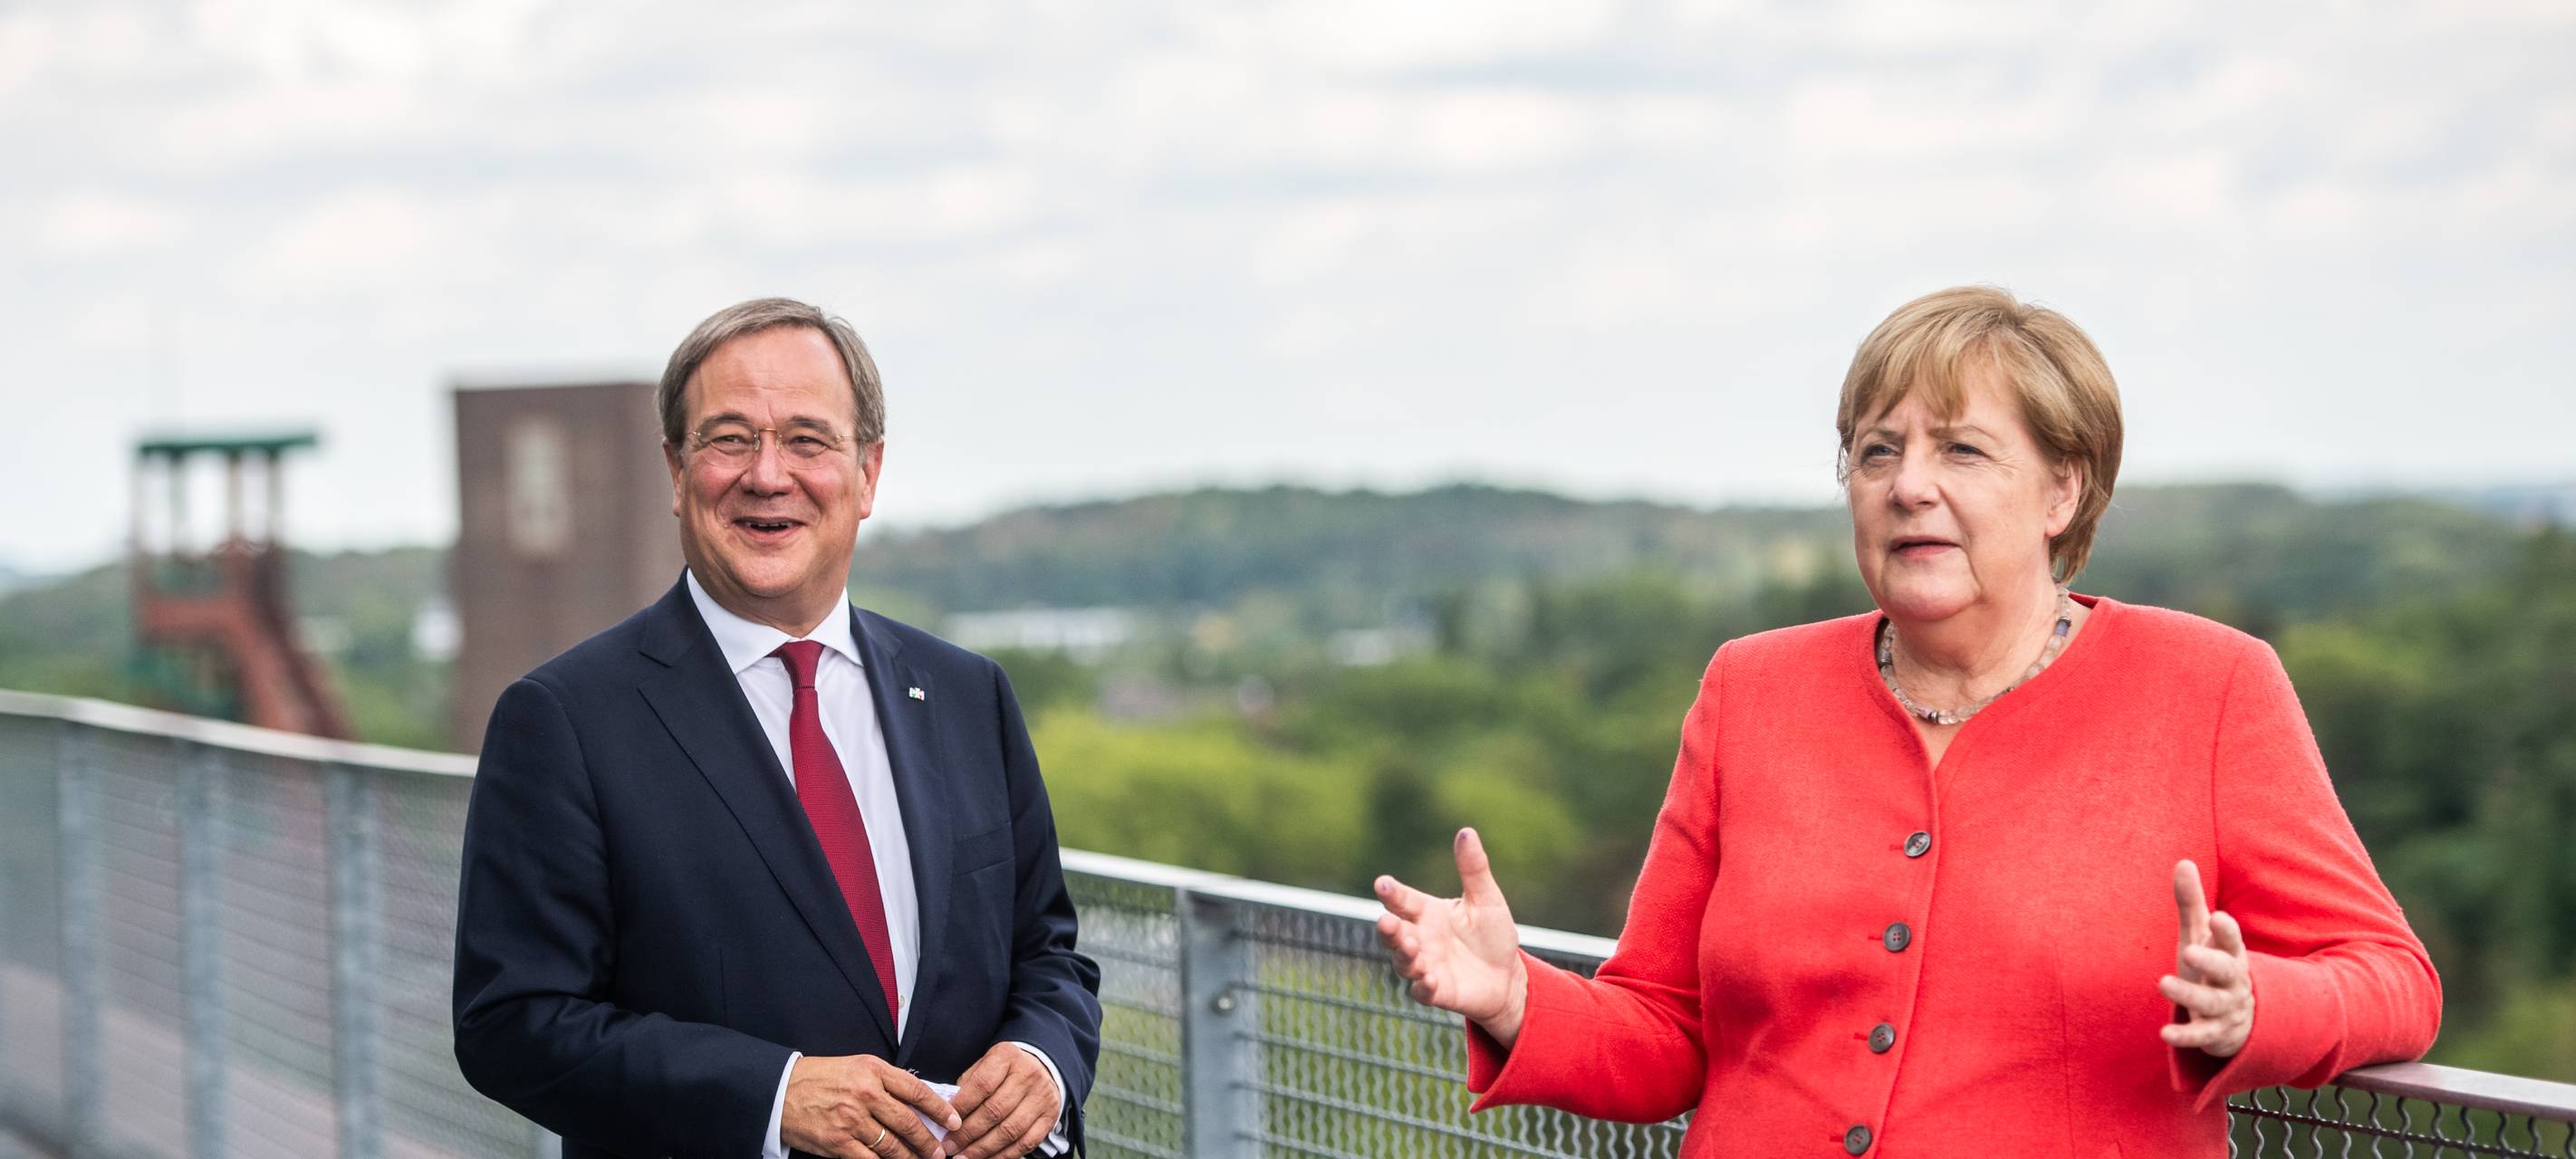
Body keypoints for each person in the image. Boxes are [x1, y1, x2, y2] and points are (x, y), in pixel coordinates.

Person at [1372, 285, 2441, 1156]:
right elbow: (1668, 1031)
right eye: (1878, 452)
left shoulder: (2210, 686)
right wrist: (1518, 997)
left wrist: (2262, 1007)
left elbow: (2395, 978)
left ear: (2063, 488)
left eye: (1962, 452)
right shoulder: (1750, 689)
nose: (1908, 486)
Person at [453, 298, 1101, 1159]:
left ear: (866, 474)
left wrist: (1042, 1061)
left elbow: (1048, 952)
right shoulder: (565, 721)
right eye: (729, 439)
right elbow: (513, 1022)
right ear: (677, 473)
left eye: (807, 439)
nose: (767, 475)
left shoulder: (965, 694)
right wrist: (773, 1095)